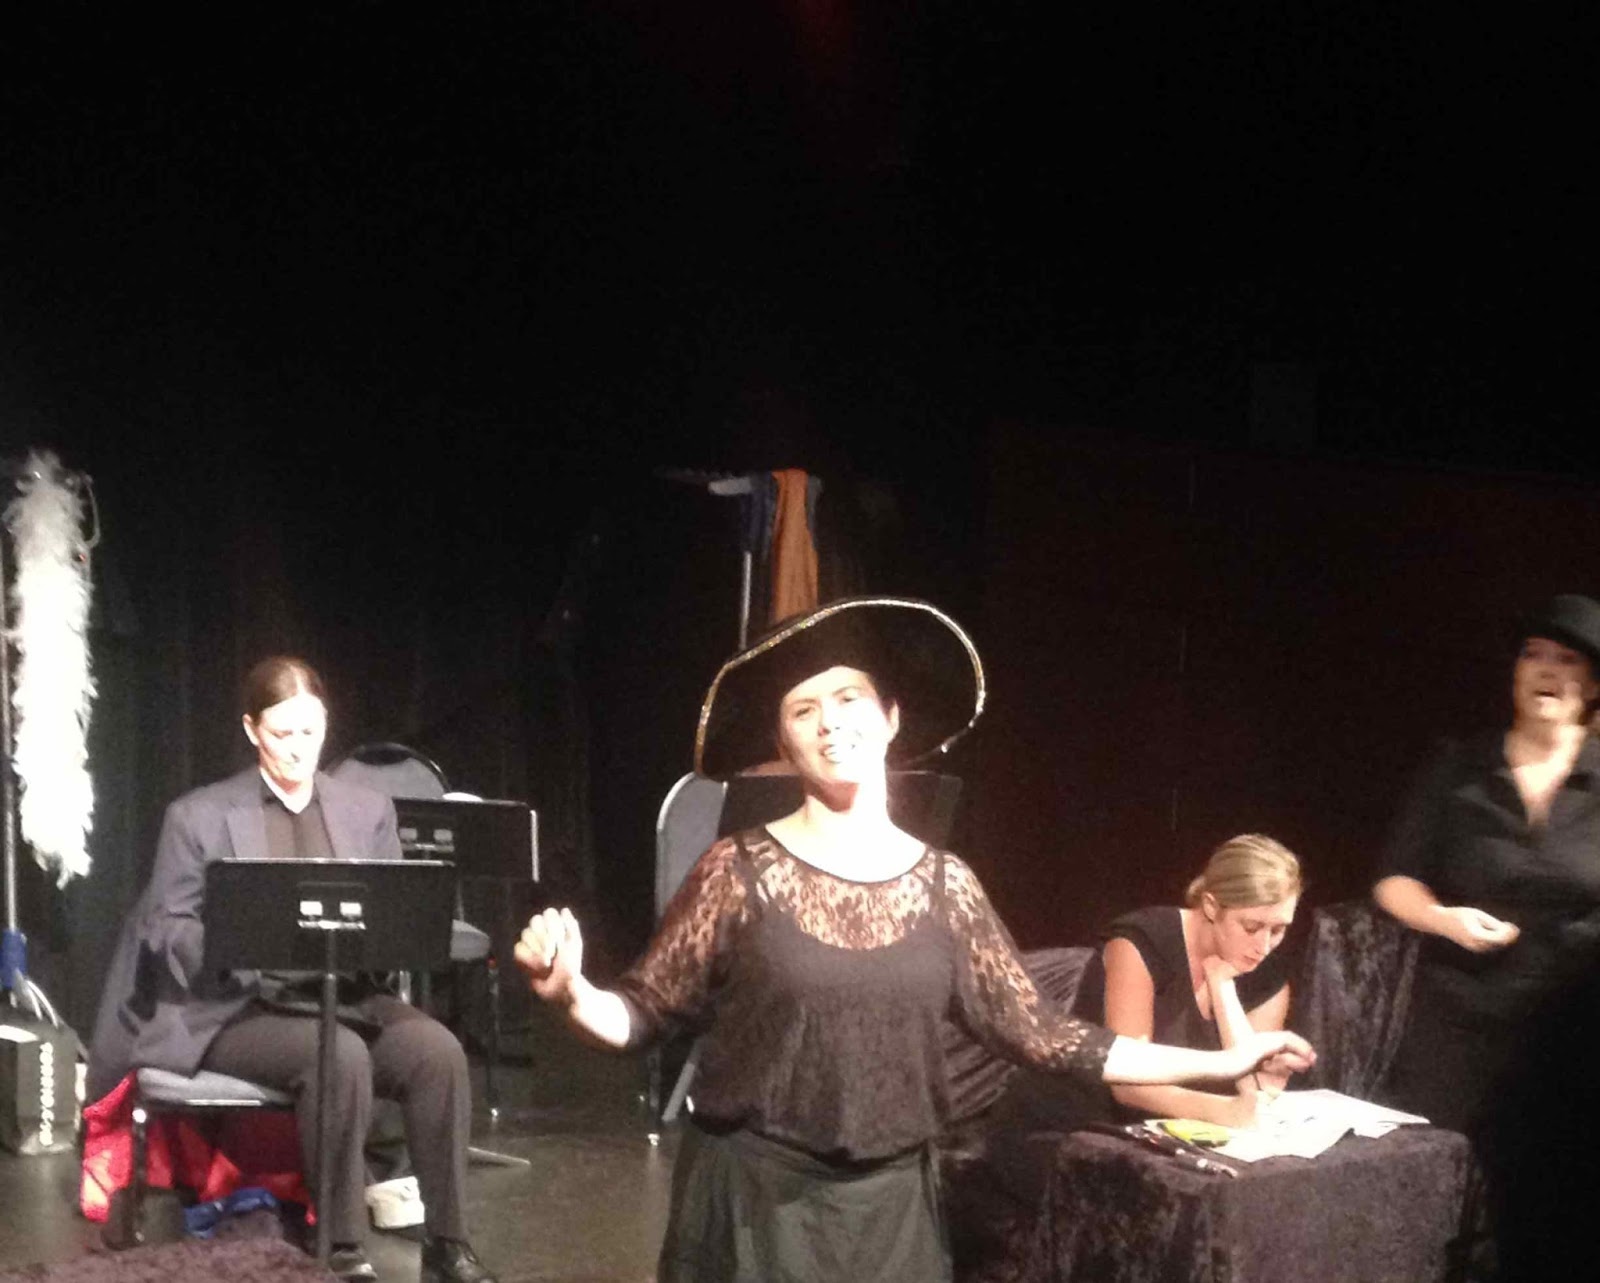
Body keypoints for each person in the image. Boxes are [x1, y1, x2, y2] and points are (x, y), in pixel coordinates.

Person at [515, 597, 1315, 1283]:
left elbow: (1049, 1036)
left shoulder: (947, 886)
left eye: (849, 697)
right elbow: (643, 1013)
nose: (830, 721)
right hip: (754, 1209)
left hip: (892, 1216)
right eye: (803, 709)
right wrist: (573, 992)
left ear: (892, 717)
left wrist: (1222, 1062)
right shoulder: (736, 869)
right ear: (783, 741)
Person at [101, 657, 496, 1283]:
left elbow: (394, 912)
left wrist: (390, 939)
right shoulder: (197, 815)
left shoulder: (367, 810)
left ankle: (448, 1241)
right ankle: (342, 1245)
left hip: (345, 993)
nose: (297, 748)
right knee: (338, 1054)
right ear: (252, 729)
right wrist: (238, 942)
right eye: (282, 733)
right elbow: (169, 926)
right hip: (238, 1006)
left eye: (310, 732)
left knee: (437, 1053)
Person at [1373, 593, 1600, 1279]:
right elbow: (1394, 878)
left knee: (1556, 1215)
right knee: (1427, 1209)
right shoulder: (1459, 766)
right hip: (1459, 1027)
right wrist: (1444, 918)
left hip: (1573, 1034)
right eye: (1533, 654)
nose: (1547, 670)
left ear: (1593, 685)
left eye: (1568, 660)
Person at [1096, 834, 1302, 1127]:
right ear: (1211, 906)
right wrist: (1225, 1112)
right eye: (1251, 927)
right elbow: (1126, 1083)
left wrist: (1223, 989)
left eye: (1278, 930)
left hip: (1202, 1133)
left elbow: (1251, 1089)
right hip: (1102, 1125)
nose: (1264, 946)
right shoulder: (1143, 943)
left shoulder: (1267, 973)